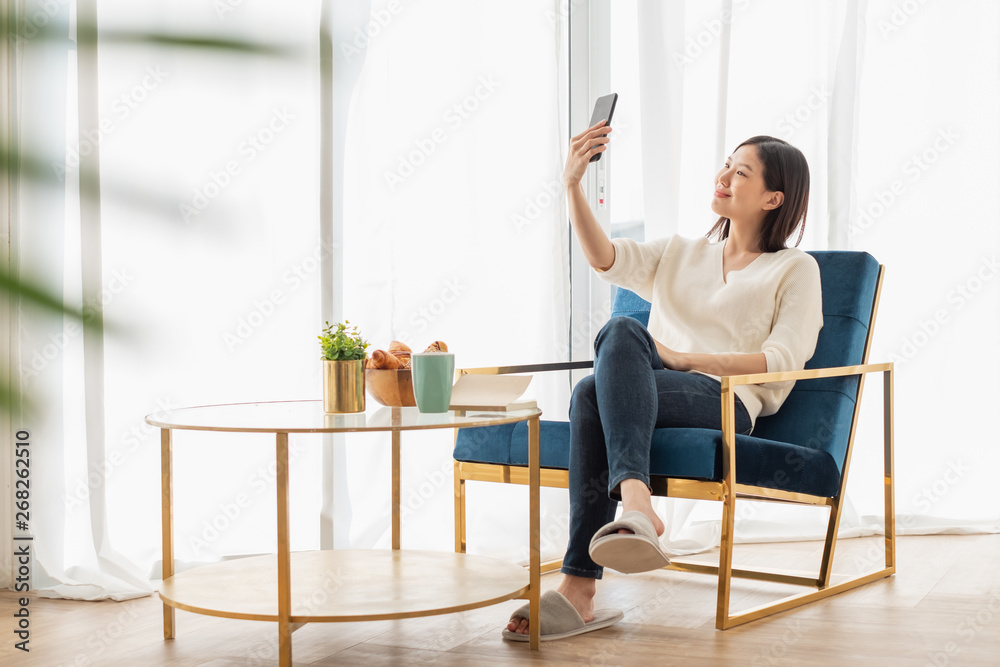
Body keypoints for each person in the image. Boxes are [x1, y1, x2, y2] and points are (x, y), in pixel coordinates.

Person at [503, 121, 823, 641]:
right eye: (726, 164)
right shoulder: (680, 251)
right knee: (605, 363)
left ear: (773, 198)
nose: (724, 176)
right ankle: (632, 509)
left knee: (594, 385)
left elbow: (779, 359)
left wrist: (680, 358)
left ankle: (580, 583)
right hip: (646, 389)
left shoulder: (794, 269)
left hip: (724, 400)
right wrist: (571, 186)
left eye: (741, 172)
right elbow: (603, 259)